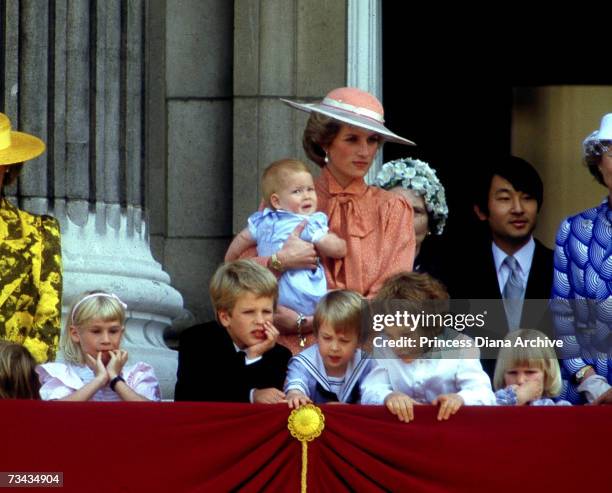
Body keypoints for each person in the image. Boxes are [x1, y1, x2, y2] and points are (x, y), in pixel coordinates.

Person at [231, 87, 417, 351]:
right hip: (286, 349)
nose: (365, 151)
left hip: (359, 351)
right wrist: (280, 261)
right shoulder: (287, 200)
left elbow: (392, 290)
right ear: (324, 141)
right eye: (352, 139)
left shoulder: (393, 209)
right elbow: (241, 275)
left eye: (372, 140)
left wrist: (313, 321)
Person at [360, 272, 495, 422]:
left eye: (406, 336)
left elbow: (484, 393)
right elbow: (370, 389)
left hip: (450, 431)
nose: (397, 345)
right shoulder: (383, 347)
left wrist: (460, 398)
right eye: (390, 336)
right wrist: (388, 396)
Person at [226, 159, 346, 318]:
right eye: (297, 191)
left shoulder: (262, 221)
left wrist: (229, 259)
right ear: (276, 201)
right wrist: (341, 245)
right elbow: (331, 247)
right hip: (303, 294)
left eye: (310, 189)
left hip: (274, 294)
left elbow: (241, 239)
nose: (306, 196)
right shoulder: (305, 223)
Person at [552, 113, 612, 405]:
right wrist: (590, 381)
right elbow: (562, 313)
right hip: (587, 393)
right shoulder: (574, 230)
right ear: (598, 162)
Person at [174, 260, 292, 403]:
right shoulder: (196, 341)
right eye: (249, 312)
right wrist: (252, 393)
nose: (260, 320)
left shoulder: (279, 355)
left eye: (266, 311)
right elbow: (194, 395)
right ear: (225, 317)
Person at [0, 112, 62, 363]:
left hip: (15, 384)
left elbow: (48, 321)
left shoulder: (40, 232)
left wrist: (14, 373)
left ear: (7, 168)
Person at [36, 291, 160, 401]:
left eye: (113, 331)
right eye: (96, 331)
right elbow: (54, 415)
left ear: (121, 333)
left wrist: (115, 379)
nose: (106, 340)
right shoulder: (64, 376)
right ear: (75, 334)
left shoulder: (137, 375)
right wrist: (99, 380)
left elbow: (153, 416)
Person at [284, 289, 373, 408]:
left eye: (344, 340)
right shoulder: (303, 363)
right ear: (316, 334)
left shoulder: (366, 364)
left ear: (359, 340)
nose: (334, 347)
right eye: (327, 338)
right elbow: (296, 384)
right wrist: (295, 394)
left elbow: (374, 393)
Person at [375, 157, 448, 278]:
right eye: (396, 207)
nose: (405, 218)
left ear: (429, 225)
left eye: (416, 211)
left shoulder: (444, 277)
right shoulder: (358, 268)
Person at [493, 329, 570, 406]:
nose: (520, 380)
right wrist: (517, 398)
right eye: (512, 372)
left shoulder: (553, 406)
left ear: (547, 374)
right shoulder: (491, 399)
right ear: (503, 375)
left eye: (530, 372)